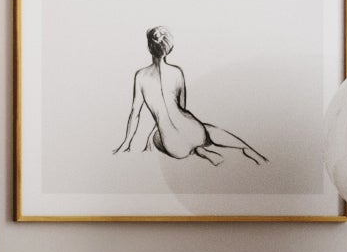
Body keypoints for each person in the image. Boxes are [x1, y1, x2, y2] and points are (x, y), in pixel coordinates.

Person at [114, 27, 266, 165]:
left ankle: (198, 151)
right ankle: (245, 148)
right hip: (196, 132)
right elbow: (182, 107)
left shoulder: (140, 76)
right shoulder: (177, 72)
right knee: (206, 129)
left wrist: (127, 143)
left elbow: (135, 114)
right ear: (168, 48)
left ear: (149, 48)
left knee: (156, 138)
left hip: (174, 147)